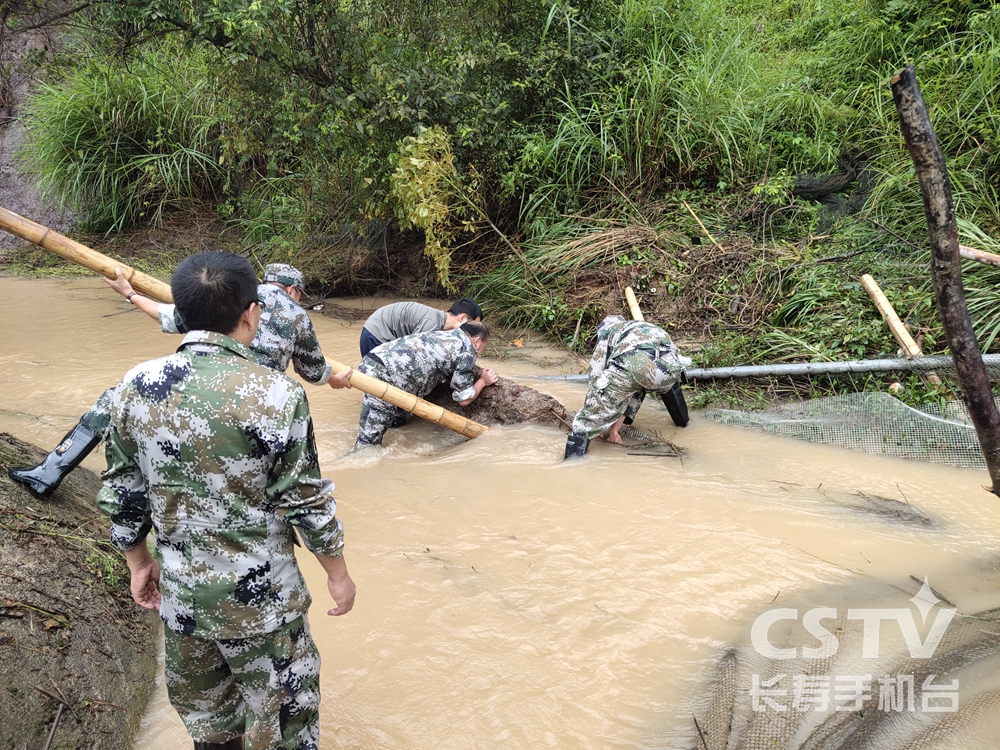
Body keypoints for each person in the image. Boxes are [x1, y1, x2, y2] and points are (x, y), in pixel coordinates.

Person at [96, 251, 355, 750]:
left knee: (212, 732)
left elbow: (122, 488)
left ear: (181, 313)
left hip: (183, 600)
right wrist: (338, 575)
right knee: (282, 730)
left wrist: (137, 562)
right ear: (250, 312)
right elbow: (305, 501)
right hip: (263, 608)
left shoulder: (136, 384)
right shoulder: (277, 394)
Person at [8, 262, 350, 498]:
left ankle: (49, 473)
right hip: (252, 405)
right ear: (294, 291)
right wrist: (334, 378)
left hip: (190, 383)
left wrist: (128, 292)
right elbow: (312, 371)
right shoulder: (296, 314)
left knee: (113, 400)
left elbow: (165, 315)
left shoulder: (228, 295)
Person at [342, 321, 497, 446]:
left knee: (401, 419)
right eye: (483, 348)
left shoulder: (444, 334)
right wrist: (483, 381)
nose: (480, 353)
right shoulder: (466, 351)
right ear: (477, 341)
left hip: (373, 360)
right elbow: (463, 399)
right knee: (368, 446)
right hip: (383, 376)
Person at [564, 315, 691, 459]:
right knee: (635, 385)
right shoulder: (639, 327)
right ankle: (615, 432)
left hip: (637, 366)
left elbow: (596, 376)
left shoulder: (607, 332)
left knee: (586, 421)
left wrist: (597, 417)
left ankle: (571, 464)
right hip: (671, 372)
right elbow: (633, 385)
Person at [359, 299, 483, 357]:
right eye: (471, 325)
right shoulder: (431, 323)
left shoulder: (437, 323)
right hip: (376, 335)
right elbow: (414, 354)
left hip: (375, 333)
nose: (471, 331)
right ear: (461, 318)